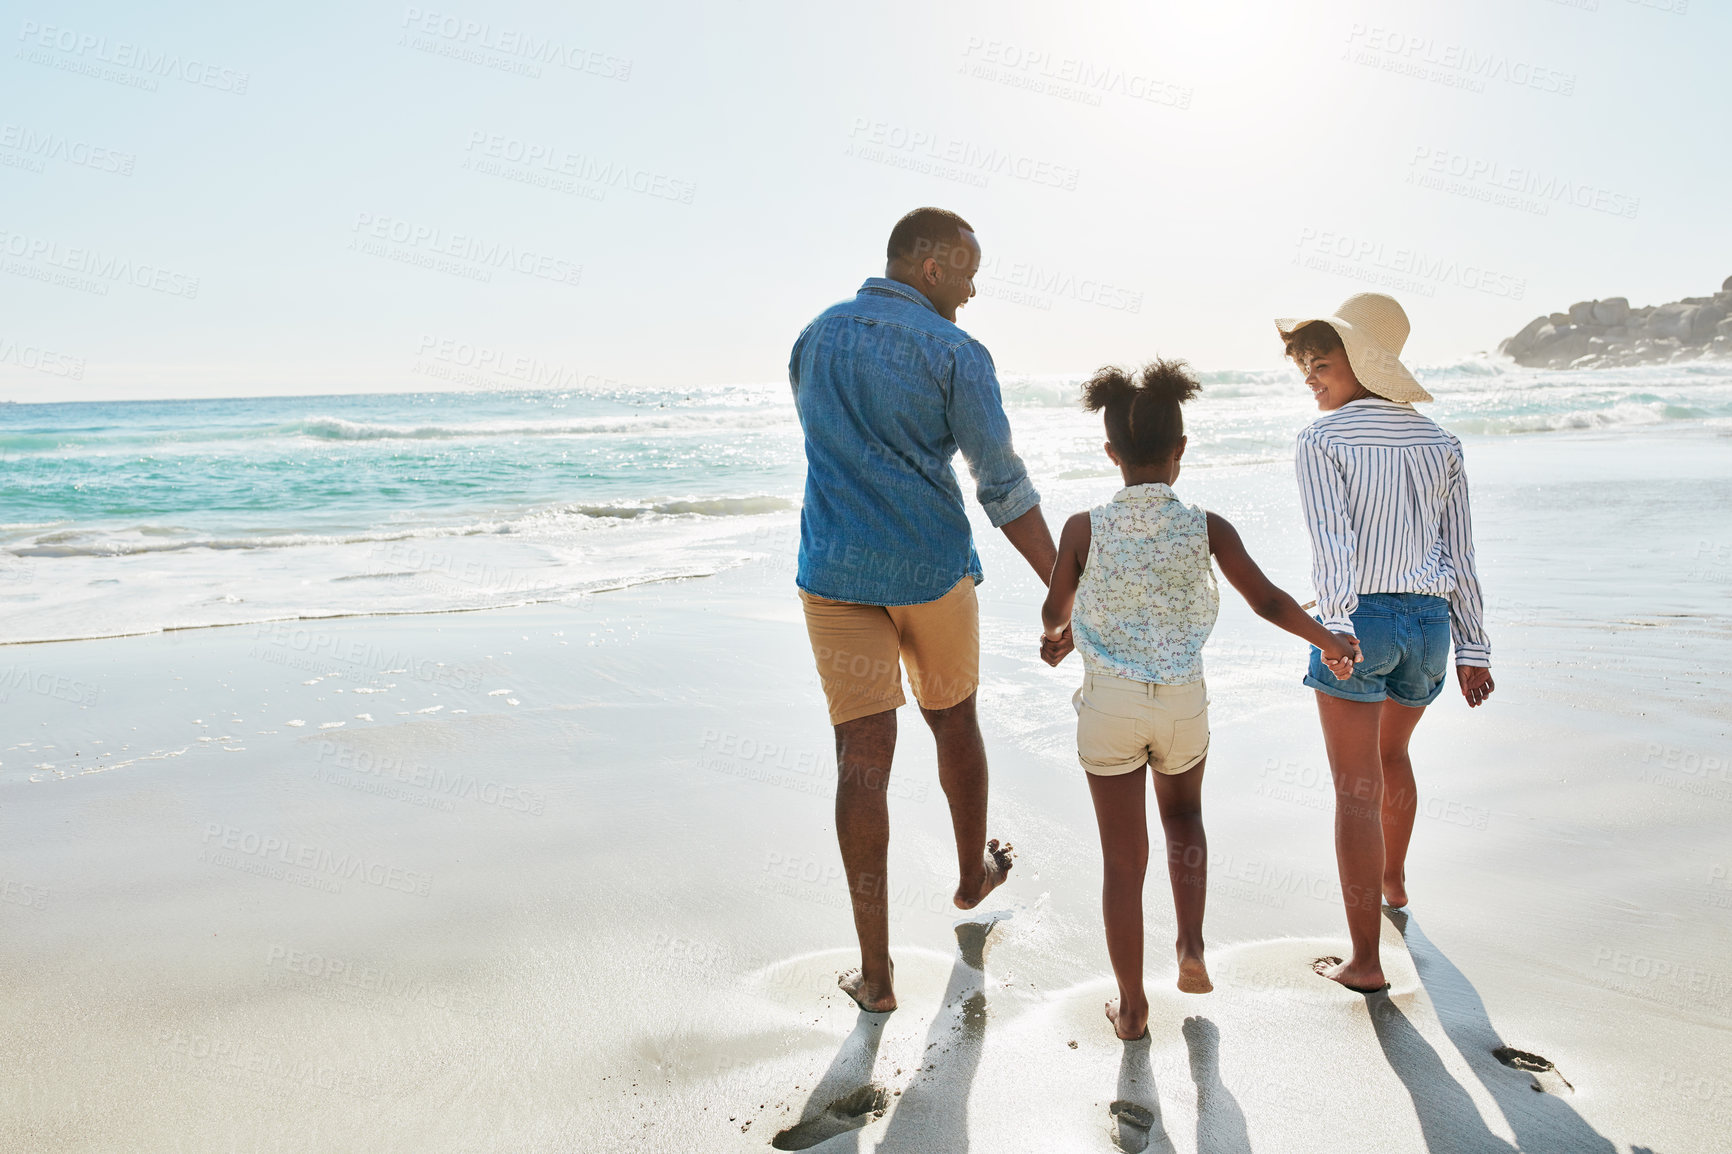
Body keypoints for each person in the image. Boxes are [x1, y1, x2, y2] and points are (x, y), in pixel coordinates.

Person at [789, 207, 1060, 1013]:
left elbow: (832, 446)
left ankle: (875, 978)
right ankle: (972, 874)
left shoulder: (813, 337)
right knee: (954, 722)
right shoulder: (955, 351)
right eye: (969, 270)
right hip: (931, 571)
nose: (974, 289)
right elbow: (1000, 481)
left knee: (861, 761)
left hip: (835, 573)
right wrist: (1059, 587)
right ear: (931, 265)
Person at [1039, 360, 1359, 1040]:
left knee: (1123, 862)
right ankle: (1190, 945)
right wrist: (1328, 638)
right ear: (1180, 451)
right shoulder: (1207, 526)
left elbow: (1053, 607)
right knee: (1184, 819)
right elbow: (1268, 599)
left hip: (1109, 708)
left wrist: (1059, 635)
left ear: (1110, 455)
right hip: (1182, 701)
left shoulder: (1081, 528)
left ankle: (1131, 1008)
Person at [1277, 293, 1494, 994]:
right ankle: (1393, 882)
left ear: (1363, 362)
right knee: (1392, 755)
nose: (1310, 375)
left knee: (1354, 791)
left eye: (1322, 361)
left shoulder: (1323, 440)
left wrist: (1335, 624)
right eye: (1304, 365)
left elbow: (1332, 544)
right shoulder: (1441, 443)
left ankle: (1366, 962)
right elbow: (1458, 552)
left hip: (1360, 623)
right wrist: (1474, 649)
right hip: (1431, 627)